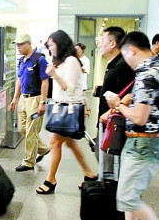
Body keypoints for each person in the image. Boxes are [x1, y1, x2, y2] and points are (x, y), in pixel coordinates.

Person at [106, 31, 159, 220]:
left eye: (125, 55)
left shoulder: (146, 74)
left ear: (132, 51)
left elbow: (140, 118)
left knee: (127, 199)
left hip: (143, 144)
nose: (126, 61)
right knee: (130, 198)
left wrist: (117, 104)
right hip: (146, 142)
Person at [35, 30, 96, 194]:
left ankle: (51, 179)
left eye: (51, 45)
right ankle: (89, 173)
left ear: (60, 44)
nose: (49, 48)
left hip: (68, 109)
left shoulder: (71, 61)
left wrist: (54, 74)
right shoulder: (61, 61)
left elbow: (68, 88)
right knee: (69, 143)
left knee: (55, 142)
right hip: (61, 108)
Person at [9, 34, 50, 172]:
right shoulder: (22, 61)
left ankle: (28, 161)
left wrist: (42, 102)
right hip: (23, 100)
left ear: (28, 44)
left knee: (31, 131)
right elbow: (19, 80)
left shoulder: (40, 60)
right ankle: (43, 149)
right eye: (17, 45)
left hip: (35, 100)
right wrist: (15, 98)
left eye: (20, 44)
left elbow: (45, 81)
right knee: (23, 129)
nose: (18, 47)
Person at [97, 26, 135, 174]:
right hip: (108, 121)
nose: (100, 44)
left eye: (102, 40)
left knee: (113, 163)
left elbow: (130, 95)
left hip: (115, 124)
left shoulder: (123, 66)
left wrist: (112, 111)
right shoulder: (114, 64)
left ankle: (113, 189)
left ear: (113, 44)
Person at [75, 42, 91, 116]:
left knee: (83, 96)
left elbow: (86, 70)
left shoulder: (85, 59)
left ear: (82, 50)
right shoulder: (75, 58)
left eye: (78, 49)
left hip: (81, 80)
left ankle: (88, 109)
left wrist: (79, 68)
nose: (76, 51)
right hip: (75, 80)